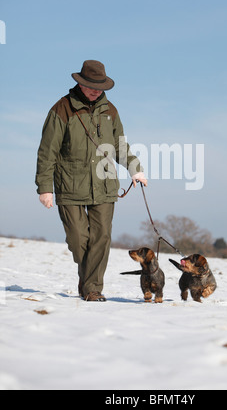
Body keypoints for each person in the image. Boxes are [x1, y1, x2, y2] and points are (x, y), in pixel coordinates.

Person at [35, 60, 147, 302]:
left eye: (100, 85)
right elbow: (47, 151)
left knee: (101, 238)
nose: (96, 90)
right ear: (79, 82)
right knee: (78, 239)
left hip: (105, 184)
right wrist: (45, 188)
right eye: (90, 85)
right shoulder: (61, 109)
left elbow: (119, 145)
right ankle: (88, 279)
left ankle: (92, 289)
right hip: (70, 185)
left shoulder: (111, 111)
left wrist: (134, 169)